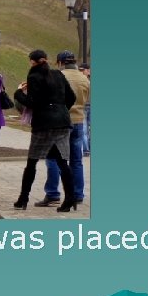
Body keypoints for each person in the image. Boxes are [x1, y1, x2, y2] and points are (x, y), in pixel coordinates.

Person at [13, 49, 77, 212]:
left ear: (33, 62)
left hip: (44, 125)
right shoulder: (58, 74)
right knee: (63, 162)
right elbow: (71, 97)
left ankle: (23, 198)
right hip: (63, 122)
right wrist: (61, 110)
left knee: (32, 162)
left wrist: (18, 92)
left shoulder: (34, 76)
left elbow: (33, 102)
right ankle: (70, 198)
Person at [34, 51, 90, 207]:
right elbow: (86, 99)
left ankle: (53, 194)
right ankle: (78, 194)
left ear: (60, 62)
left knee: (53, 158)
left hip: (58, 122)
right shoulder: (84, 78)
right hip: (78, 121)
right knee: (76, 160)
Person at [78, 62, 91, 156]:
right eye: (80, 70)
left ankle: (87, 149)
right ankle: (86, 150)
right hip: (83, 106)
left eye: (83, 70)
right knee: (84, 129)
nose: (81, 72)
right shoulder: (79, 80)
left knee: (86, 129)